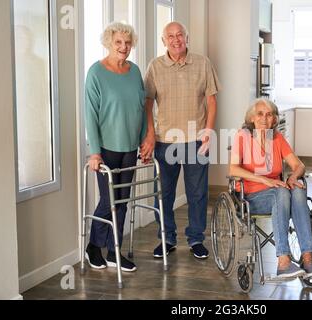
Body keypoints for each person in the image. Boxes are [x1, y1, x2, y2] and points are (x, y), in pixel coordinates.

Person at [141, 22, 220, 259]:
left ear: (187, 37)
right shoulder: (155, 66)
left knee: (197, 193)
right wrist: (150, 134)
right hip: (165, 141)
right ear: (163, 40)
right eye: (170, 36)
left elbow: (212, 101)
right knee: (163, 193)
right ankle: (167, 238)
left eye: (180, 35)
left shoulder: (203, 63)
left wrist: (208, 131)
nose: (176, 40)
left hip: (196, 139)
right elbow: (147, 104)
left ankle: (196, 239)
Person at [229, 98, 312, 279]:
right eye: (260, 114)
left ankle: (308, 258)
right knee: (281, 191)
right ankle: (283, 261)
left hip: (280, 197)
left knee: (297, 189)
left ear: (274, 120)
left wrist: (294, 176)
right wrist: (265, 181)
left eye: (269, 114)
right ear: (251, 118)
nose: (264, 118)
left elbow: (299, 165)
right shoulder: (242, 137)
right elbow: (233, 169)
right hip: (252, 198)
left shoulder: (277, 138)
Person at [84, 22, 148, 272]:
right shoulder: (96, 73)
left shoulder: (134, 71)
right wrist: (95, 151)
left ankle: (114, 251)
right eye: (118, 42)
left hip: (130, 146)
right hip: (107, 147)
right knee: (109, 200)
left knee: (123, 200)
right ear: (108, 43)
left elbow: (140, 109)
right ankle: (93, 245)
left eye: (127, 42)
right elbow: (90, 115)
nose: (124, 47)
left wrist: (144, 140)